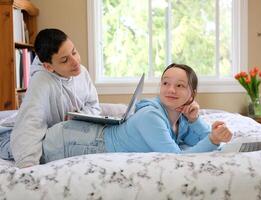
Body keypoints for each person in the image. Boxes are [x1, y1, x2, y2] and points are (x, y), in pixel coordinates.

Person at [41, 63, 232, 165]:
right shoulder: (151, 116)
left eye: (180, 85)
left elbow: (199, 140)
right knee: (18, 145)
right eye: (165, 83)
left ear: (192, 94)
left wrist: (195, 120)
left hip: (86, 136)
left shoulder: (180, 115)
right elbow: (177, 159)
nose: (170, 90)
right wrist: (213, 141)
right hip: (76, 141)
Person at [0, 28, 101, 168]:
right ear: (48, 67)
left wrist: (79, 117)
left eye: (74, 52)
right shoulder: (41, 81)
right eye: (65, 60)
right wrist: (28, 166)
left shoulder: (81, 72)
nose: (75, 62)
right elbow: (30, 123)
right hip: (10, 138)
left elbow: (93, 105)